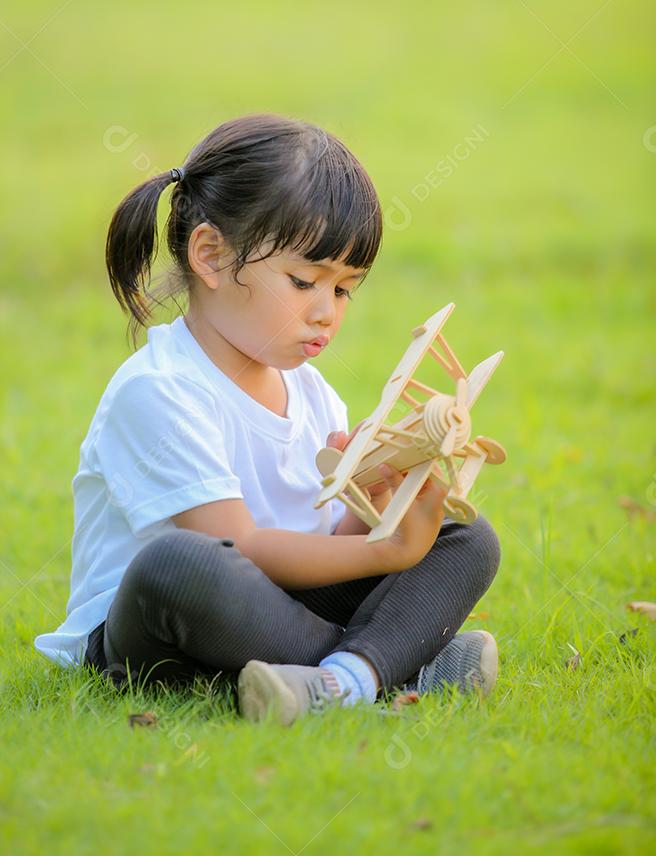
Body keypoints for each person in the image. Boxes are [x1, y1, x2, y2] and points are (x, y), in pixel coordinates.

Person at [34, 113, 501, 724]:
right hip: (160, 635)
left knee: (467, 537)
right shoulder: (159, 391)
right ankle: (395, 667)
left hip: (279, 614)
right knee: (176, 564)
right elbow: (243, 546)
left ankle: (342, 678)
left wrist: (377, 511)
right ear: (211, 256)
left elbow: (319, 548)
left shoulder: (314, 396)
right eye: (305, 281)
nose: (326, 313)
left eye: (343, 290)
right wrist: (383, 554)